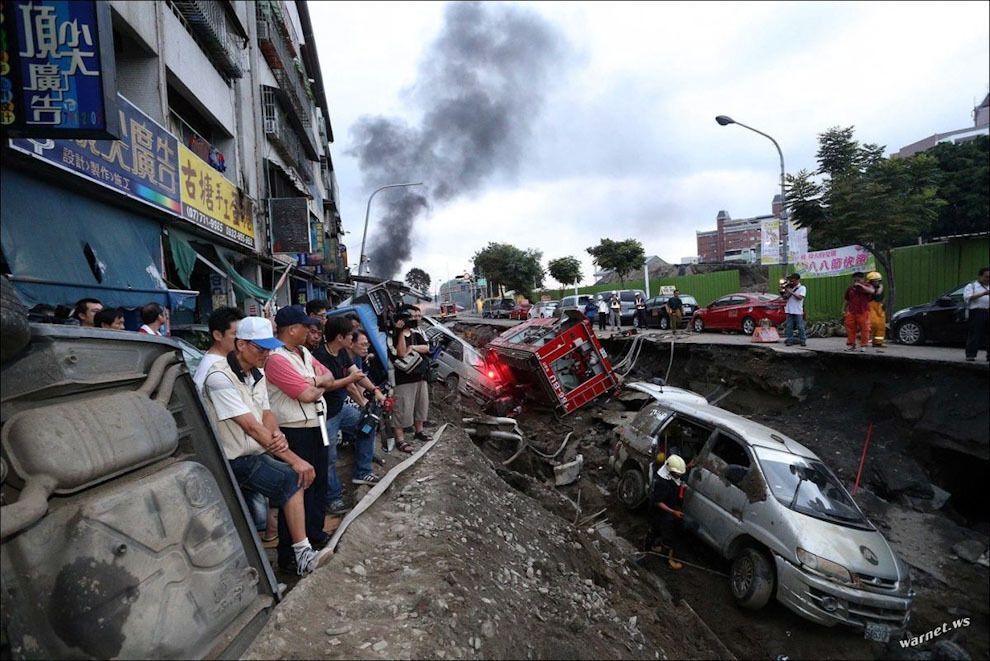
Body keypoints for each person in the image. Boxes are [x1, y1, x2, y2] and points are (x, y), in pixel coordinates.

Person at [200, 316, 325, 576]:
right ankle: (299, 555)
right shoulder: (219, 377)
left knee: (276, 496)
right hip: (232, 459)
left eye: (268, 348)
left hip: (254, 452)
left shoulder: (257, 374)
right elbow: (251, 427)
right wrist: (293, 458)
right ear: (241, 345)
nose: (265, 354)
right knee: (291, 479)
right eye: (260, 348)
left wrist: (276, 432)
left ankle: (293, 554)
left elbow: (266, 414)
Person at [265, 304, 341, 573]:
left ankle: (315, 536)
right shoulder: (276, 359)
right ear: (292, 329)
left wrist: (313, 381)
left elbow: (330, 378)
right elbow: (306, 394)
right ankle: (292, 553)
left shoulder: (304, 353)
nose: (311, 330)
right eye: (305, 326)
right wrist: (315, 383)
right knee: (297, 489)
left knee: (317, 483)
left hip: (315, 424)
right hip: (294, 430)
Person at [313, 316, 383, 515]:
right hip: (326, 414)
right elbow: (325, 385)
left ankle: (363, 471)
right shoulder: (319, 357)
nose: (353, 340)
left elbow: (357, 375)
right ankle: (332, 498)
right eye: (350, 336)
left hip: (341, 409)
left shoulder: (342, 353)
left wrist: (375, 390)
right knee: (329, 456)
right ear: (340, 337)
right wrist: (349, 380)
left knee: (368, 424)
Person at [390, 304, 432, 451]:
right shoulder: (394, 334)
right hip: (403, 378)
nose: (415, 320)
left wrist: (412, 347)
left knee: (421, 405)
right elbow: (401, 353)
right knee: (402, 408)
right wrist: (400, 331)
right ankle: (400, 439)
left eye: (417, 317)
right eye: (412, 317)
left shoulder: (417, 332)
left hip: (420, 376)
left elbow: (427, 348)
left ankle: (419, 431)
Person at [643, 455, 688, 570]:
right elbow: (658, 502)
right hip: (660, 512)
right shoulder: (662, 482)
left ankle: (652, 546)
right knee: (667, 534)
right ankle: (666, 559)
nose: (679, 475)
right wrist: (673, 512)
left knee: (655, 530)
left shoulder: (670, 475)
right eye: (677, 473)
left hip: (667, 510)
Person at [192, 306, 245, 393]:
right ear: (217, 335)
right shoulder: (211, 368)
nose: (242, 339)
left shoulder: (229, 360)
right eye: (235, 334)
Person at [963, 267, 990, 362]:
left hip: (988, 311)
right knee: (975, 334)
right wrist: (983, 293)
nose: (988, 279)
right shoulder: (972, 286)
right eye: (986, 277)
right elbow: (968, 297)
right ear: (980, 276)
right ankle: (970, 354)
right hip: (977, 312)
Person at [843, 272, 874, 352]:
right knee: (850, 328)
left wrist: (861, 286)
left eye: (858, 279)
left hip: (863, 311)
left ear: (863, 279)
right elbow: (847, 299)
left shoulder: (867, 286)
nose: (856, 281)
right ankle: (851, 345)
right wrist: (844, 308)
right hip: (851, 311)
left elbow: (872, 291)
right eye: (855, 279)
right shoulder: (850, 288)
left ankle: (864, 345)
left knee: (865, 328)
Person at [781, 274, 807, 347]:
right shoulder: (790, 287)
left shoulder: (802, 288)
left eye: (793, 279)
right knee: (789, 326)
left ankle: (803, 340)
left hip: (798, 311)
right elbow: (785, 298)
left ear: (797, 279)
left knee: (800, 326)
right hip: (789, 310)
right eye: (791, 279)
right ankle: (790, 340)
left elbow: (800, 297)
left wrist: (791, 292)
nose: (792, 281)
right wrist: (783, 291)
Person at [865, 272, 886, 350]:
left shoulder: (880, 287)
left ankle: (878, 342)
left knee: (881, 325)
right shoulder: (869, 288)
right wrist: (881, 287)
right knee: (874, 324)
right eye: (875, 280)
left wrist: (883, 304)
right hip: (871, 306)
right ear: (870, 281)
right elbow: (877, 293)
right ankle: (863, 340)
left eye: (878, 280)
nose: (877, 282)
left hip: (880, 307)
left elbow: (882, 297)